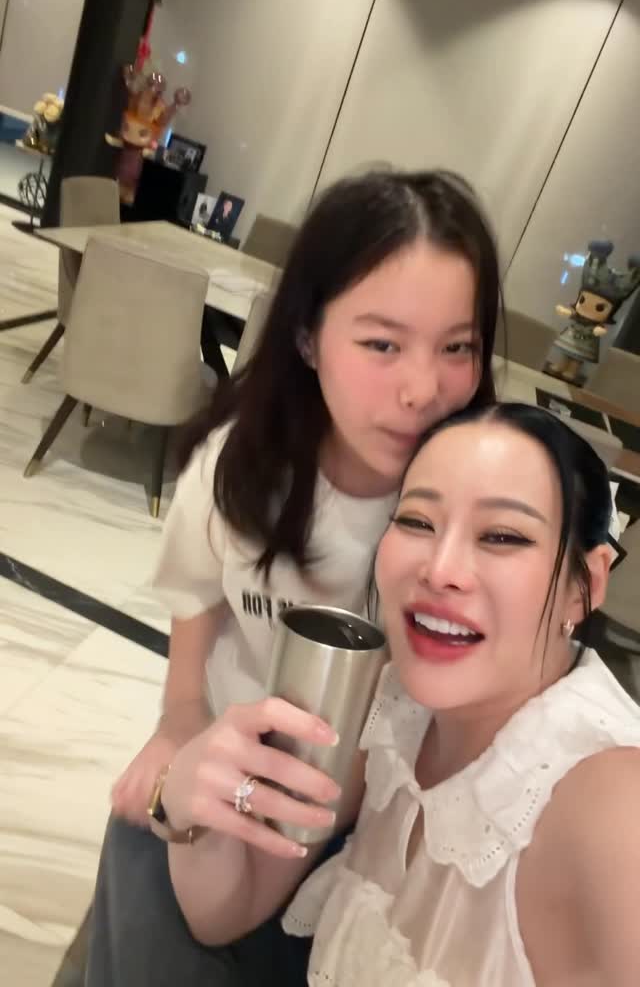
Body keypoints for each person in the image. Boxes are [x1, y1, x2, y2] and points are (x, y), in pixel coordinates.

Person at [86, 168, 501, 986]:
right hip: (220, 771)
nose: (423, 389)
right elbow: (197, 592)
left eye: (457, 347)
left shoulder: (468, 522)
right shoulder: (242, 467)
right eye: (382, 344)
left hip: (357, 830)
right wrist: (179, 719)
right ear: (308, 339)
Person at [160, 403, 640, 986]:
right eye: (416, 521)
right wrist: (182, 799)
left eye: (502, 535)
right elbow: (223, 913)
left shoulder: (612, 807)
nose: (440, 570)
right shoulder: (395, 708)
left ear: (584, 586)